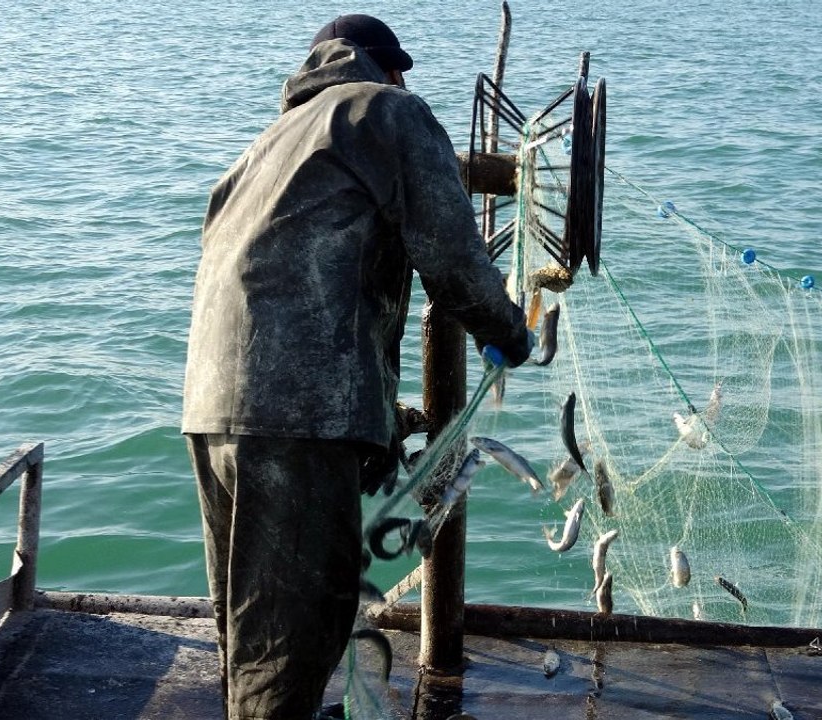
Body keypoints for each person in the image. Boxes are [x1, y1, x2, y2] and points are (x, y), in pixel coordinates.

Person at [181, 14, 531, 720]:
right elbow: (456, 267)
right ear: (390, 69)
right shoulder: (389, 111)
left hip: (210, 412)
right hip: (296, 416)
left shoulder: (262, 149)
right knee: (294, 643)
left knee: (251, 634)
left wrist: (378, 419)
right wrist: (512, 335)